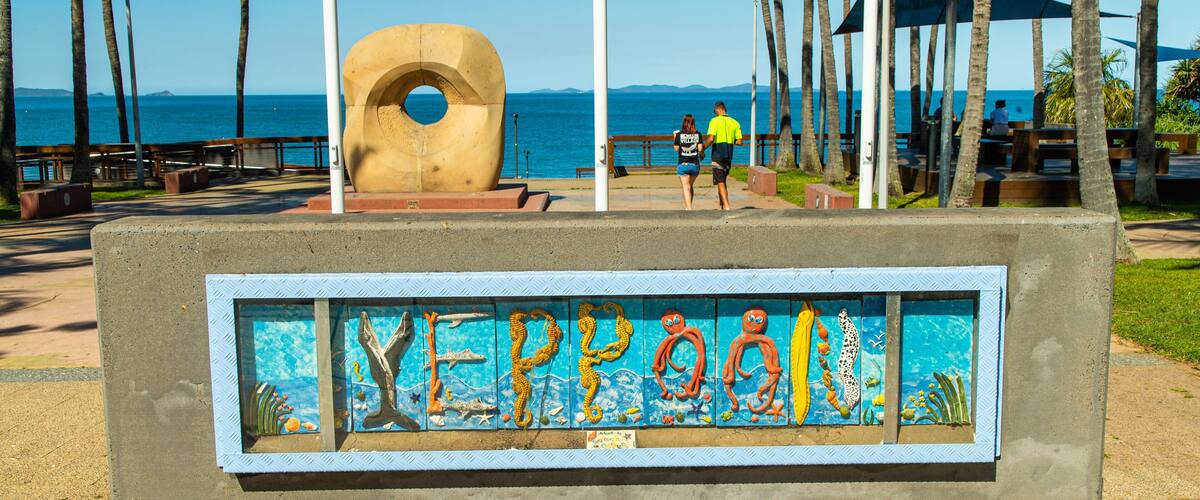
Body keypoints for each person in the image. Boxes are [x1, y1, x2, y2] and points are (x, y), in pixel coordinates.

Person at [703, 101, 743, 210]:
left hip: (717, 154)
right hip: (729, 155)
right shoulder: (735, 122)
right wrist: (729, 140)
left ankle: (727, 206)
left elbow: (711, 139)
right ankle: (721, 205)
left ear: (718, 109)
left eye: (714, 111)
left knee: (720, 182)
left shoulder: (714, 121)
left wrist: (702, 148)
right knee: (723, 181)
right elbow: (739, 141)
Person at [672, 114, 704, 210]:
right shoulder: (698, 134)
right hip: (695, 165)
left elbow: (676, 149)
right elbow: (700, 149)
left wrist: (675, 138)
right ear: (693, 123)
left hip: (683, 165)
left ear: (684, 123)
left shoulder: (679, 135)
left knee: (686, 187)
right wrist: (702, 154)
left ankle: (689, 209)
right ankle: (688, 206)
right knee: (690, 185)